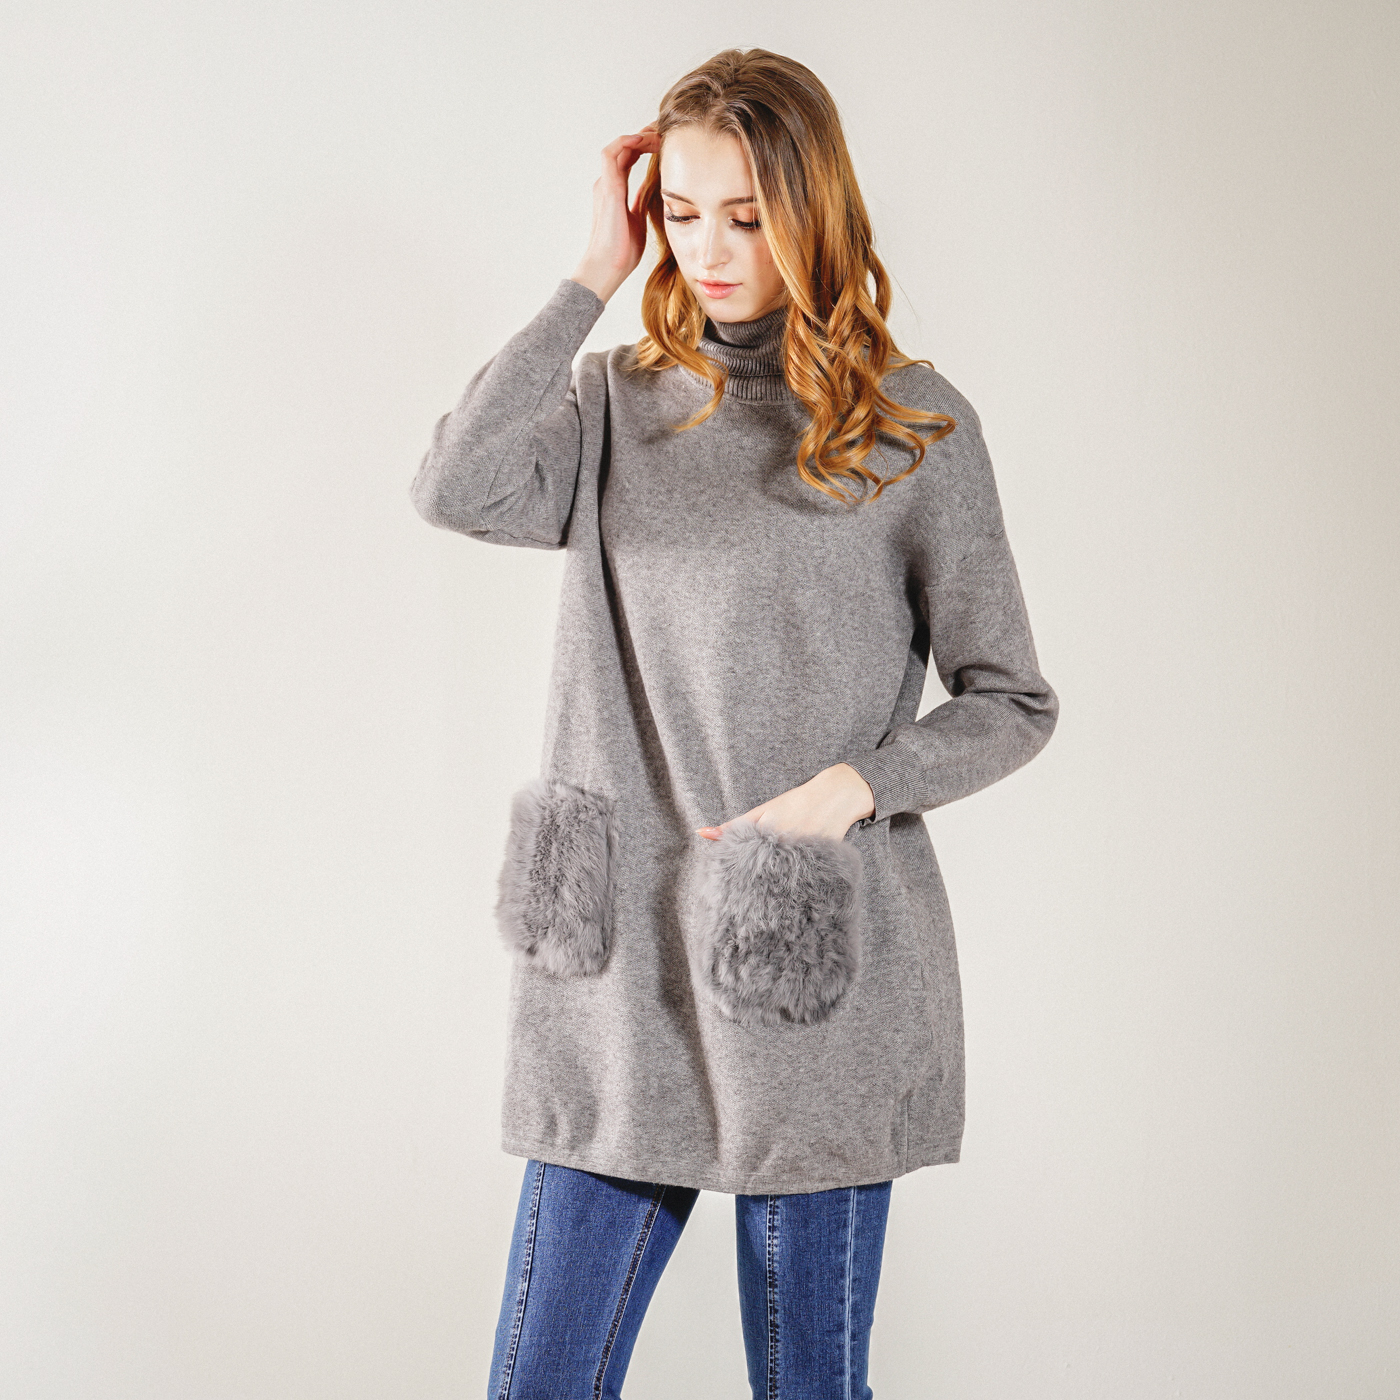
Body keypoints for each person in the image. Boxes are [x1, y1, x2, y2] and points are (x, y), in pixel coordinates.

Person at [409, 46, 1058, 1400]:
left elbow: (1011, 700)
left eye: (747, 217)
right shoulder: (612, 406)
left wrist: (849, 790)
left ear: (813, 213)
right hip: (616, 975)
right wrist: (589, 277)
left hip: (810, 980)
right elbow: (454, 486)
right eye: (682, 212)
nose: (707, 251)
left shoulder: (913, 430)